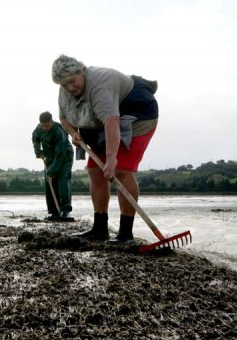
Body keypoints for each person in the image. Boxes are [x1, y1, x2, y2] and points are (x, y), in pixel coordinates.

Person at [51, 54, 159, 244]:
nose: (69, 87)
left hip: (138, 114)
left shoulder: (100, 83)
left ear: (82, 71)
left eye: (72, 81)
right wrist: (73, 133)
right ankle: (100, 228)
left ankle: (126, 234)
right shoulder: (65, 90)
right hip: (101, 124)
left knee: (121, 170)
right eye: (64, 84)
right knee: (94, 170)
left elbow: (112, 121)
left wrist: (111, 158)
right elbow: (64, 119)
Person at [32, 111, 74, 219]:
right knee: (49, 181)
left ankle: (65, 211)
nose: (45, 128)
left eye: (47, 125)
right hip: (49, 155)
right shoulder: (39, 128)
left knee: (62, 180)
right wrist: (37, 151)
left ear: (52, 122)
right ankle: (53, 211)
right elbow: (35, 137)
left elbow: (60, 154)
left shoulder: (59, 131)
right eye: (43, 126)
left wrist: (51, 171)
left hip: (65, 156)